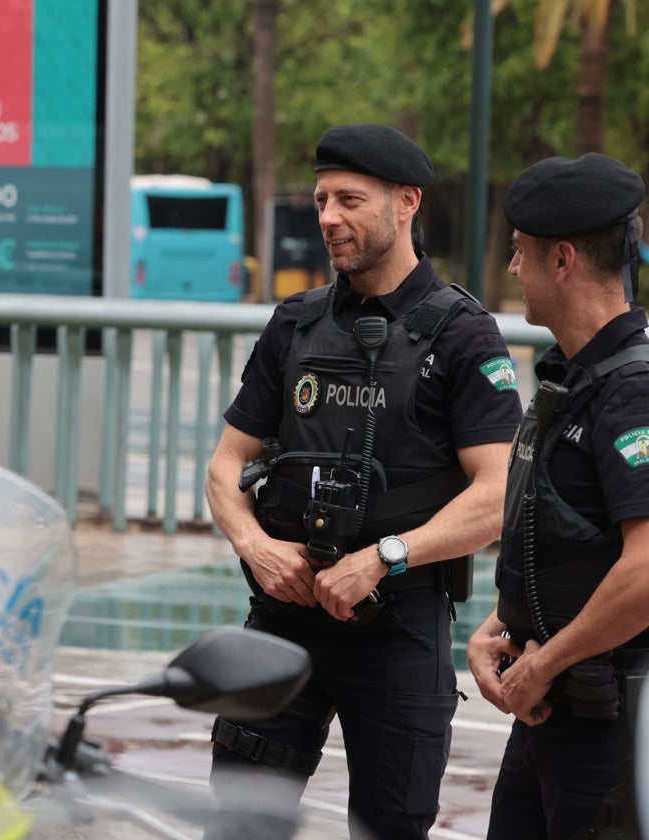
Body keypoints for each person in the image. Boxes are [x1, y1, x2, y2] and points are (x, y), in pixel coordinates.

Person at [204, 123, 523, 838]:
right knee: (237, 823)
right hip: (284, 614)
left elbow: (498, 493)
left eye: (349, 200)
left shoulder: (463, 335)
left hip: (396, 623)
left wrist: (386, 555)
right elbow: (225, 467)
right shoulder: (294, 324)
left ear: (406, 202)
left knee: (390, 823)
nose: (328, 218)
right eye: (321, 200)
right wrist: (255, 545)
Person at [466, 153, 649, 839]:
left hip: (607, 725)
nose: (513, 270)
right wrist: (502, 628)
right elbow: (573, 541)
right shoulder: (577, 379)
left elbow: (645, 568)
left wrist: (544, 661)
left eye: (520, 253)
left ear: (563, 260)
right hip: (553, 709)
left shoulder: (631, 390)